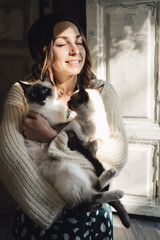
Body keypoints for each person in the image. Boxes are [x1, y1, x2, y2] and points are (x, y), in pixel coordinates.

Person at [0, 13, 128, 240]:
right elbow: (11, 159)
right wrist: (56, 203)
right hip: (41, 218)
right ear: (45, 53)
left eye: (79, 42)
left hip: (93, 219)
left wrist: (52, 138)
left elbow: (116, 154)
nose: (75, 50)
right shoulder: (23, 93)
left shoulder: (101, 91)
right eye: (62, 43)